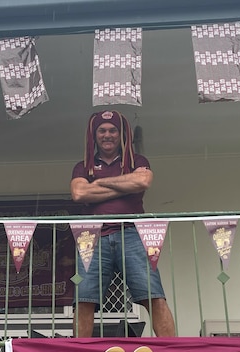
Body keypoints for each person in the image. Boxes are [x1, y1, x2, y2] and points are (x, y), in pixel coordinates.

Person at [70, 109, 176, 338]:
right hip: (92, 237)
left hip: (132, 233)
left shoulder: (137, 161)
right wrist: (124, 184)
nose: (107, 135)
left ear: (121, 134)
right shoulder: (83, 166)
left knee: (153, 295)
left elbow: (144, 180)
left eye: (112, 130)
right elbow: (79, 193)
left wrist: (97, 185)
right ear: (94, 135)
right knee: (84, 299)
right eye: (102, 130)